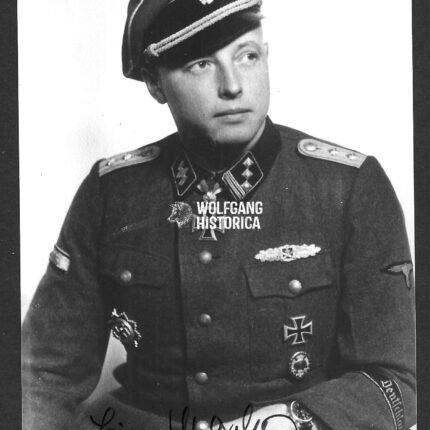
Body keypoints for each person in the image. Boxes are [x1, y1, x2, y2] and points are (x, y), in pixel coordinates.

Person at [22, 0, 416, 429]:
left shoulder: (348, 187)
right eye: (201, 64)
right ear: (154, 83)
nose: (233, 85)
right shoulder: (111, 191)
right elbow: (42, 375)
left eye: (247, 56)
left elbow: (396, 381)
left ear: (267, 56)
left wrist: (287, 422)